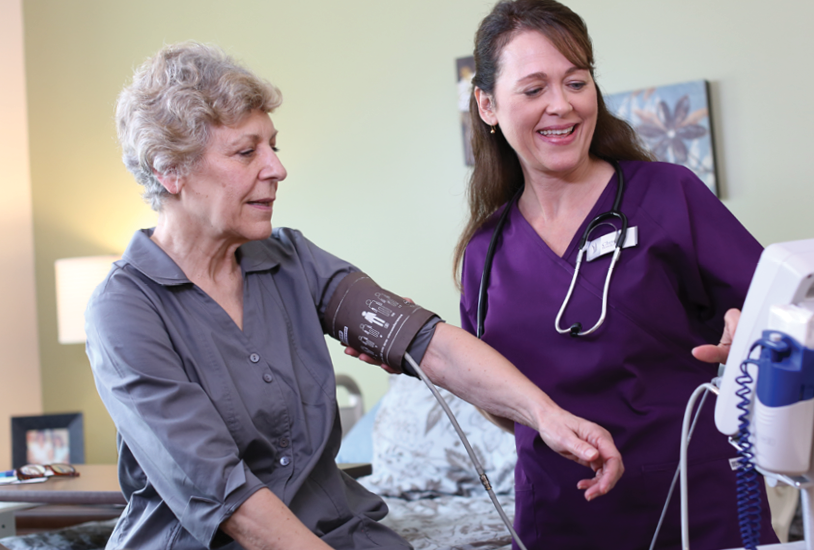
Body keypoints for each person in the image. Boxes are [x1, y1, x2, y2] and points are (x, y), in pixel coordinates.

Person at [85, 42, 623, 550]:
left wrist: (546, 416)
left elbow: (426, 341)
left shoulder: (291, 260)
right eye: (246, 151)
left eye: (273, 145)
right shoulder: (126, 309)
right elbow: (229, 500)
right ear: (170, 170)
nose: (276, 168)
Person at [455, 1, 779, 549]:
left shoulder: (668, 194)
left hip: (694, 504)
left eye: (576, 82)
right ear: (487, 105)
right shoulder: (485, 253)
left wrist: (746, 326)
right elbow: (496, 398)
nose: (561, 105)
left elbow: (779, 312)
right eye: (534, 89)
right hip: (559, 516)